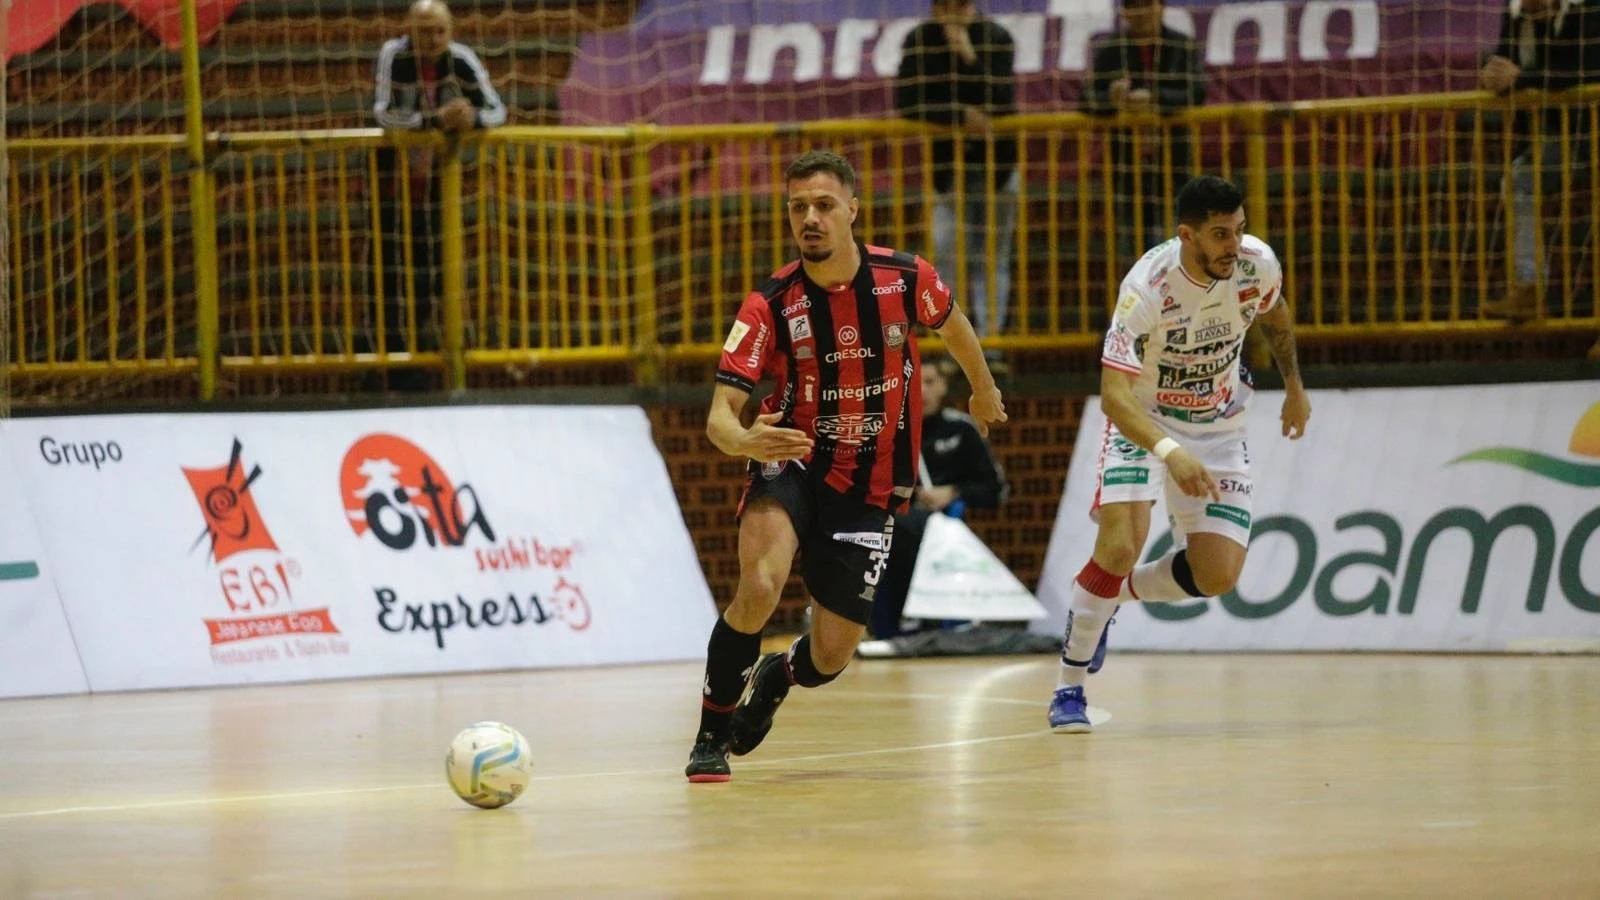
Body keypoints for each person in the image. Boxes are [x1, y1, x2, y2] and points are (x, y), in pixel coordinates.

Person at [685, 149, 1007, 782]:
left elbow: (954, 325)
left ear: (853, 210)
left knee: (831, 657)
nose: (810, 218)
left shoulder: (904, 277)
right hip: (791, 461)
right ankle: (710, 736)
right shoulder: (770, 303)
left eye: (823, 205)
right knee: (759, 586)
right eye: (797, 207)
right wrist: (746, 442)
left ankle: (778, 675)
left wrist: (983, 388)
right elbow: (720, 417)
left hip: (871, 479)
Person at [1045, 175, 1311, 733]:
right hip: (1143, 421)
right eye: (1220, 235)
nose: (1233, 245)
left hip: (1219, 425)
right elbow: (1113, 397)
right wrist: (1170, 452)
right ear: (1186, 235)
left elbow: (1276, 315)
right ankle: (1069, 688)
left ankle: (1108, 597)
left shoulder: (1256, 264)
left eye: (1238, 230)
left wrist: (1294, 387)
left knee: (1217, 575)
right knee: (1120, 546)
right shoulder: (1147, 287)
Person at [371, 0, 506, 390]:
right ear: (408, 29)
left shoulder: (461, 59)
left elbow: (497, 110)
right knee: (388, 278)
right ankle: (388, 367)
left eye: (439, 31)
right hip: (391, 187)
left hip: (437, 191)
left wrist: (471, 118)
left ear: (451, 31)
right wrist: (434, 120)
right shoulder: (393, 55)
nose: (432, 39)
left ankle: (426, 364)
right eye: (423, 31)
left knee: (432, 278)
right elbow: (382, 113)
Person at [894, 0, 1018, 339]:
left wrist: (968, 56)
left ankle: (990, 344)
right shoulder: (920, 40)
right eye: (944, 5)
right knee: (946, 253)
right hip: (947, 170)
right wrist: (959, 116)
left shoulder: (996, 37)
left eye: (960, 4)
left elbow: (1002, 99)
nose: (952, 12)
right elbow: (908, 102)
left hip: (998, 167)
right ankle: (951, 343)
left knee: (992, 257)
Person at [1477, 0, 1600, 325]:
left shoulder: (1590, 9)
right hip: (1565, 135)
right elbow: (1505, 63)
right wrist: (1492, 73)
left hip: (1589, 128)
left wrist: (1520, 77)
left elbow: (1586, 70)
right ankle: (1529, 287)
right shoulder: (1516, 14)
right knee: (1519, 180)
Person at [869, 356, 1009, 640]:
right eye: (914, 384)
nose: (922, 391)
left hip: (947, 524)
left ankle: (931, 618)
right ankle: (893, 623)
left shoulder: (962, 429)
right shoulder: (888, 433)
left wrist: (953, 492)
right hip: (898, 527)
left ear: (944, 385)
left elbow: (994, 490)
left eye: (930, 382)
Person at [1084, 0, 1207, 271]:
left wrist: (1154, 98)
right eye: (1132, 6)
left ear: (1161, 7)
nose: (1140, 13)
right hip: (1127, 170)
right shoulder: (1111, 49)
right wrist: (1112, 98)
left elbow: (1197, 92)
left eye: (1146, 4)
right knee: (1133, 254)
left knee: (1180, 248)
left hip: (1174, 165)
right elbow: (1087, 100)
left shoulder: (1181, 46)